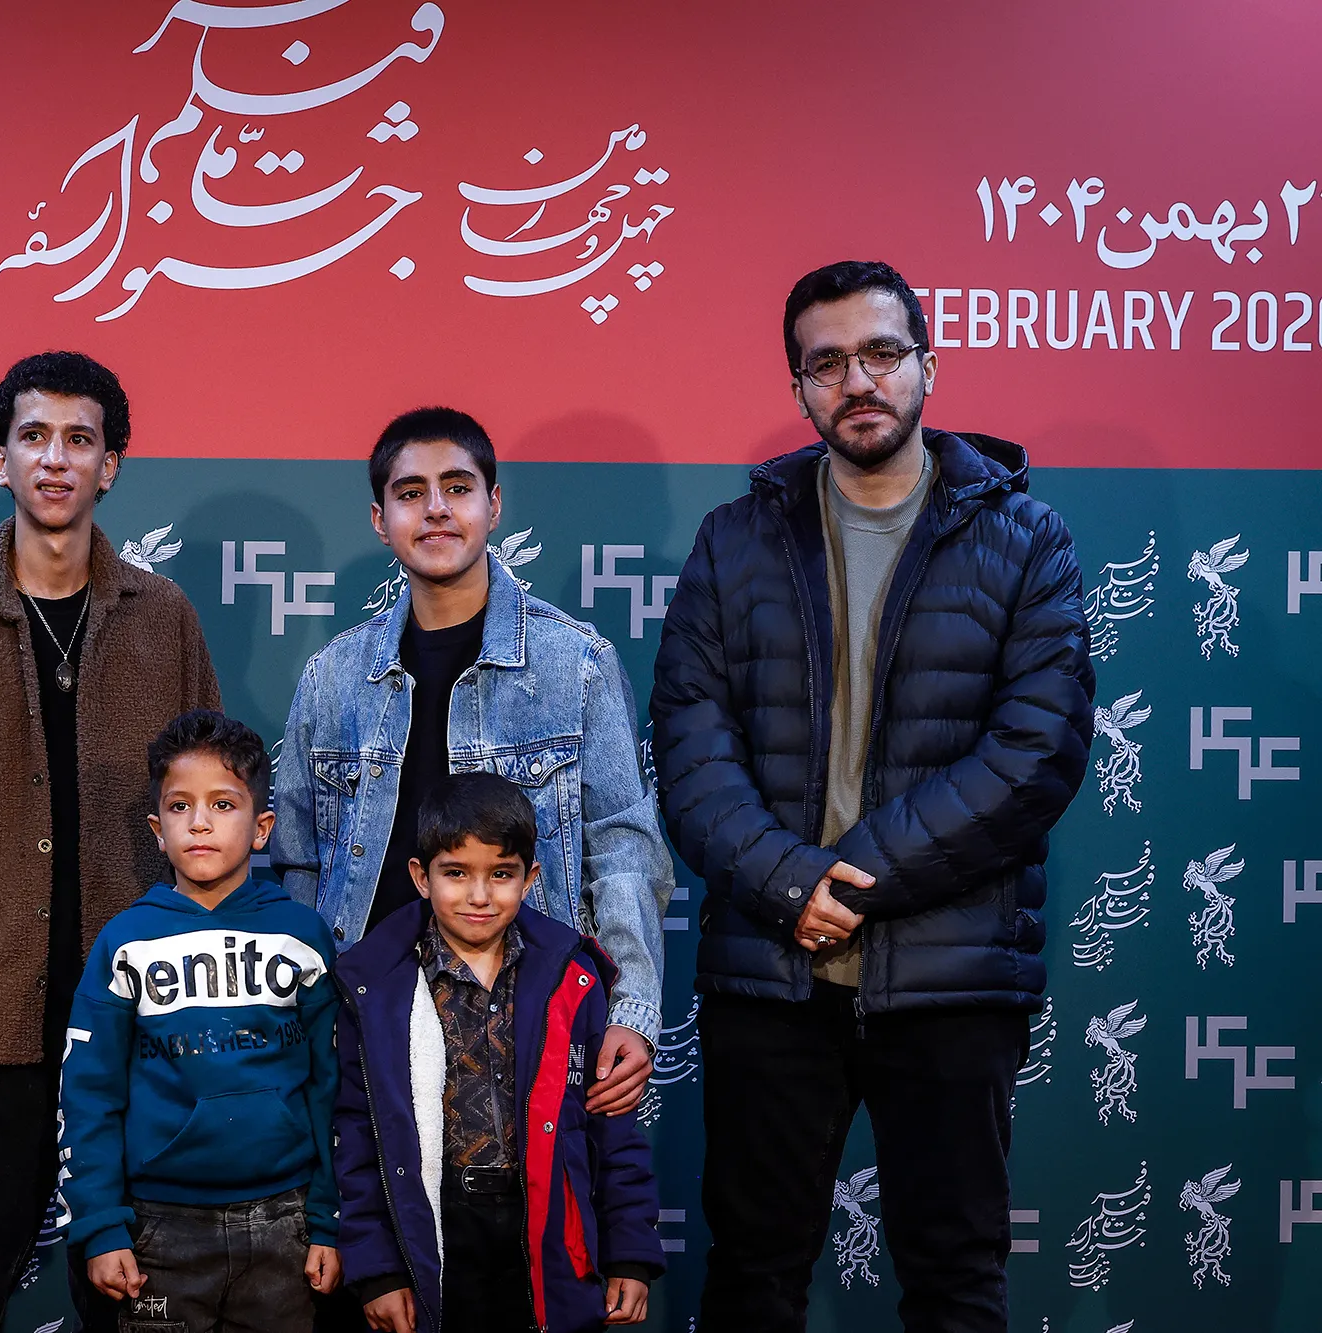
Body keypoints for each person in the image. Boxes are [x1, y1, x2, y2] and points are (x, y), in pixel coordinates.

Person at [649, 260, 1096, 1332]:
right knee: (752, 1274)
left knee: (955, 1281)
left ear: (928, 366)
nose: (858, 380)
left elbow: (1036, 750)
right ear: (798, 387)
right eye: (827, 363)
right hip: (770, 973)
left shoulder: (1025, 537)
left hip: (950, 974)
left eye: (881, 353)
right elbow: (690, 744)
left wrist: (850, 880)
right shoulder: (733, 539)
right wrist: (786, 883)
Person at [0, 351, 222, 1331]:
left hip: (142, 1029)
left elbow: (212, 826)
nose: (55, 459)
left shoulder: (164, 619)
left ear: (111, 464)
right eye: (33, 437)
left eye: (78, 439)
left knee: (140, 1306)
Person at [271, 407, 673, 1123]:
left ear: (494, 505)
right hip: (367, 1032)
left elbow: (624, 851)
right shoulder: (332, 678)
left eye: (457, 487)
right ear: (379, 518)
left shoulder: (576, 663)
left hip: (533, 1023)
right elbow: (299, 866)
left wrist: (631, 1009)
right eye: (411, 492)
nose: (435, 508)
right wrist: (304, 1011)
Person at [333, 772, 665, 1333]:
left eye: (502, 874)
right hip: (434, 1233)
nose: (480, 896)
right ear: (420, 877)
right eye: (456, 873)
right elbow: (358, 1134)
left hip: (543, 1234)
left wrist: (629, 1251)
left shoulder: (573, 979)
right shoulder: (375, 986)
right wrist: (378, 1270)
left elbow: (612, 1128)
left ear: (530, 878)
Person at [60, 710, 341, 1333]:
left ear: (262, 827)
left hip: (286, 1223)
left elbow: (333, 1088)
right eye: (180, 806)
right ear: (158, 832)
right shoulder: (126, 942)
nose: (200, 822)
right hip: (160, 1228)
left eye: (223, 804)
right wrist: (102, 1225)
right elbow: (88, 1093)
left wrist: (327, 1221)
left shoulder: (303, 936)